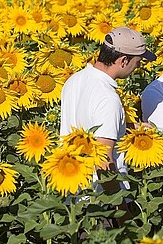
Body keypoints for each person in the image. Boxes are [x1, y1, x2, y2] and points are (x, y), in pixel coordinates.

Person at [60, 26, 156, 189]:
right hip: (99, 195)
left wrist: (128, 127)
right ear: (124, 60)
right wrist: (119, 207)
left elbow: (88, 126)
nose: (137, 68)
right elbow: (103, 160)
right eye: (137, 62)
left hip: (72, 182)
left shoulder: (74, 80)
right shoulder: (108, 98)